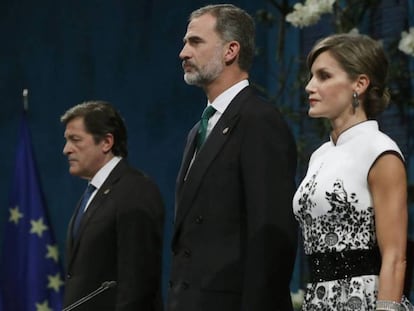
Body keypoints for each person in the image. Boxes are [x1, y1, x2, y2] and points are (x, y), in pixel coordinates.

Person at [168, 4, 298, 311]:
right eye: (186, 42)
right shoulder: (197, 130)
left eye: (195, 42)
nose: (183, 53)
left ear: (231, 50)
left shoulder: (259, 120)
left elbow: (272, 236)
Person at [293, 33, 413, 310]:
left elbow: (395, 256)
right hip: (319, 300)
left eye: (324, 76)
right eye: (311, 76)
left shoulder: (381, 151)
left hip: (366, 301)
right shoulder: (320, 155)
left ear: (359, 84)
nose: (310, 86)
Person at [61, 101, 164, 311]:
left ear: (106, 142)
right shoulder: (94, 193)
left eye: (75, 140)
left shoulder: (135, 190)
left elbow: (138, 283)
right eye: (66, 141)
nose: (66, 150)